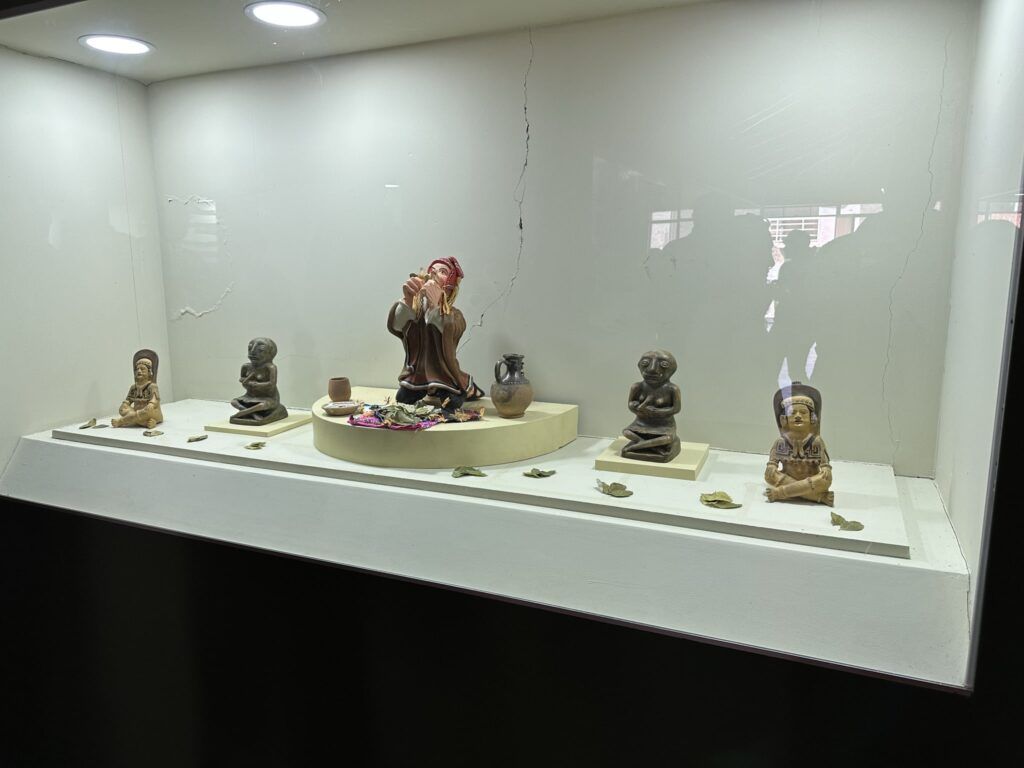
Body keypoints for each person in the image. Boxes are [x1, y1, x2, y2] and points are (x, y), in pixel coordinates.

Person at [387, 256, 482, 410]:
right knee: (403, 399)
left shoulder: (454, 315)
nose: (434, 274)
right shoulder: (416, 312)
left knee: (451, 403)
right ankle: (424, 388)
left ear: (450, 286)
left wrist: (436, 306)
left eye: (442, 272)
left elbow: (454, 329)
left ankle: (463, 389)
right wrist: (408, 300)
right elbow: (397, 327)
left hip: (444, 374)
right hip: (417, 373)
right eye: (432, 270)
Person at [764, 381, 834, 506]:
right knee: (769, 476)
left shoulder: (816, 441)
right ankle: (818, 497)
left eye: (803, 412)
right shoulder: (781, 442)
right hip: (792, 480)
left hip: (807, 480)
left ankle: (779, 493)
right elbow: (771, 465)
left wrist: (825, 469)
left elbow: (825, 466)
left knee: (824, 479)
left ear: (812, 418)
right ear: (784, 419)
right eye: (792, 413)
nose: (798, 416)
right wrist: (771, 467)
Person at [621, 350, 682, 462]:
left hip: (664, 425)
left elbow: (676, 409)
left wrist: (657, 412)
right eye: (645, 363)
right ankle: (655, 448)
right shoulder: (637, 387)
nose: (652, 369)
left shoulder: (672, 389)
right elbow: (630, 404)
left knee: (667, 438)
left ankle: (636, 446)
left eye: (663, 364)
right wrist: (636, 407)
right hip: (641, 423)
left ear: (672, 369)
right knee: (626, 432)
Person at [230, 337, 288, 425]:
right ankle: (252, 414)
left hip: (268, 398)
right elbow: (242, 380)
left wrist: (256, 384)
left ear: (270, 354)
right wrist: (247, 382)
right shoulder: (246, 367)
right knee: (234, 402)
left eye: (260, 350)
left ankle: (245, 412)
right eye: (250, 349)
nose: (252, 352)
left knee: (262, 405)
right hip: (249, 396)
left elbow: (271, 384)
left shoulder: (270, 367)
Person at [111, 349, 163, 429]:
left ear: (149, 372)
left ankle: (121, 421)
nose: (139, 371)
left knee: (147, 411)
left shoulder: (152, 386)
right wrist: (125, 405)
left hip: (150, 412)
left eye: (142, 369)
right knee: (122, 410)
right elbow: (128, 400)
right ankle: (145, 422)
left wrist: (151, 404)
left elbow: (154, 401)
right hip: (138, 412)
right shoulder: (133, 387)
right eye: (137, 369)